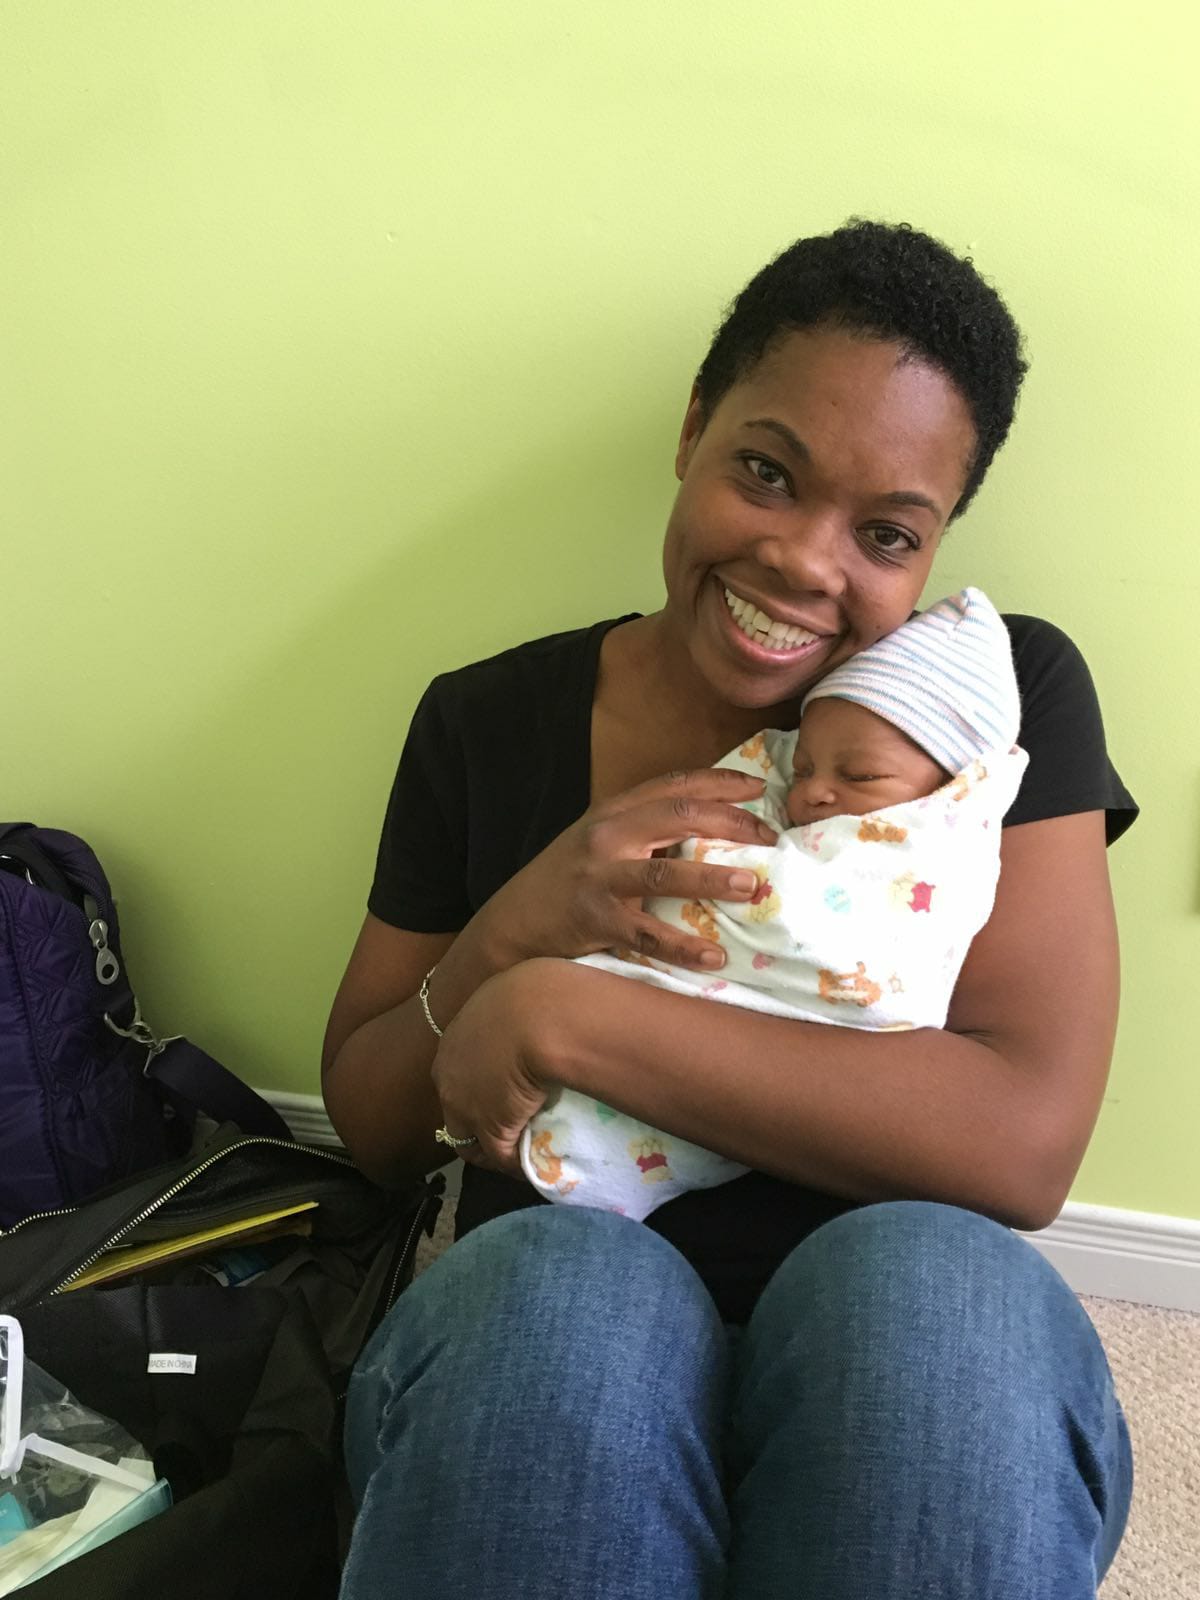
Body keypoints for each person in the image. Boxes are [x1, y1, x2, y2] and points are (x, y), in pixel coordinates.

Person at [322, 220, 1137, 1599]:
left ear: (938, 545)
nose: (808, 564)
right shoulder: (487, 722)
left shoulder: (988, 711)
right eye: (767, 472)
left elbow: (1019, 1149)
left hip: (902, 1314)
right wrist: (510, 934)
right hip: (546, 1297)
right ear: (694, 427)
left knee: (930, 1294)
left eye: (886, 533)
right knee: (562, 1302)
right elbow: (372, 1118)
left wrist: (566, 1013)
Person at [522, 585, 1029, 1218]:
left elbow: (816, 930)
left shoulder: (934, 842)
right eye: (807, 764)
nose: (813, 793)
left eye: (860, 776)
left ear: (947, 787)